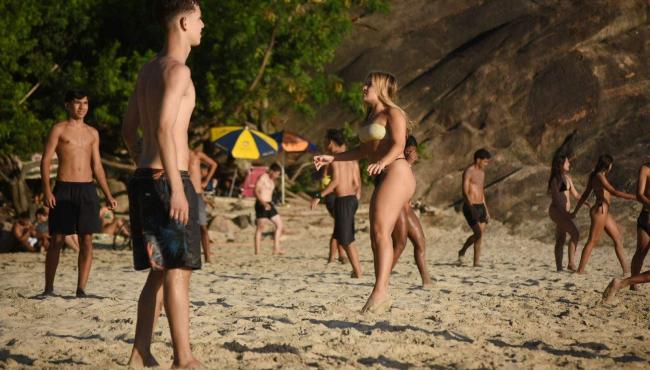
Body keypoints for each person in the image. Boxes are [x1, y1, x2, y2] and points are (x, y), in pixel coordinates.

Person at [121, 0, 204, 367]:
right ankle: (184, 360)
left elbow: (129, 130)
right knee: (177, 272)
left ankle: (140, 352)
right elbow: (164, 129)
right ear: (185, 22)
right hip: (168, 180)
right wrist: (175, 185)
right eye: (200, 19)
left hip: (144, 177)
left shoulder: (148, 70)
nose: (204, 26)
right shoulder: (178, 72)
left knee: (158, 273)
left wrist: (145, 160)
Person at [314, 71, 415, 314]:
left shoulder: (394, 113)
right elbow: (362, 152)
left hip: (397, 171)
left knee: (381, 232)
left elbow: (399, 144)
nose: (364, 87)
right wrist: (333, 157)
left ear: (380, 88)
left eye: (369, 84)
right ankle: (382, 292)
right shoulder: (370, 116)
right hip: (386, 173)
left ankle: (380, 292)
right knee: (377, 235)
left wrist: (383, 162)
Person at [40, 90, 117, 297]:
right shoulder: (59, 129)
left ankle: (81, 289)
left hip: (87, 189)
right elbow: (46, 160)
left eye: (85, 103)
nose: (82, 107)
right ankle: (48, 288)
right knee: (56, 239)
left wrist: (108, 194)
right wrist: (47, 190)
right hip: (64, 188)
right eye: (77, 103)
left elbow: (97, 165)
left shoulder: (93, 133)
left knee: (87, 240)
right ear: (67, 105)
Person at [311, 129, 363, 278]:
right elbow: (357, 182)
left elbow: (335, 182)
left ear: (331, 142)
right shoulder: (352, 158)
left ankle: (358, 271)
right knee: (345, 236)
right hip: (352, 199)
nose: (325, 144)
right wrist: (356, 196)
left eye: (326, 140)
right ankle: (356, 270)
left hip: (343, 200)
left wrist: (318, 195)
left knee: (346, 239)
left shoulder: (336, 158)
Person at [572, 154, 635, 274]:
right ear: (608, 165)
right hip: (600, 210)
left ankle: (626, 270)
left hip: (604, 211)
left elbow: (585, 195)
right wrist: (635, 197)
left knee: (617, 238)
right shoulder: (599, 176)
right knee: (592, 240)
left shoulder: (595, 175)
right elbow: (613, 192)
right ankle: (580, 270)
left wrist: (576, 210)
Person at [602, 162, 650, 303]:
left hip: (645, 217)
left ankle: (628, 284)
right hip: (646, 217)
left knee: (640, 252)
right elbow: (639, 194)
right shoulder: (646, 169)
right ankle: (626, 284)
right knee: (640, 252)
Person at [391, 135, 432, 287]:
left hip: (408, 208)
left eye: (413, 151)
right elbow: (394, 182)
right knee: (400, 244)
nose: (411, 154)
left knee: (420, 243)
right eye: (408, 151)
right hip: (396, 207)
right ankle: (383, 276)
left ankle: (426, 280)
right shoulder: (396, 161)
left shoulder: (407, 164)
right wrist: (407, 163)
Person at [547, 155, 585, 271]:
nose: (569, 164)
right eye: (567, 162)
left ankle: (559, 268)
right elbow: (559, 200)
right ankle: (571, 263)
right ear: (560, 165)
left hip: (564, 212)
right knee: (575, 233)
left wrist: (587, 202)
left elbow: (576, 194)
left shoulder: (567, 178)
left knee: (561, 238)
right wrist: (566, 214)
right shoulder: (556, 180)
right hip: (558, 211)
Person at [457, 149, 492, 267]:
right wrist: (471, 208)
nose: (486, 165)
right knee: (478, 233)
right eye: (485, 162)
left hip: (481, 205)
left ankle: (476, 263)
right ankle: (463, 250)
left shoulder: (482, 173)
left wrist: (486, 210)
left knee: (479, 235)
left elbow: (481, 192)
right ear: (478, 160)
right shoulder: (468, 171)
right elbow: (465, 192)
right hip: (470, 206)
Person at [189, 145, 218, 262]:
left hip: (197, 194)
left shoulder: (196, 154)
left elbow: (214, 164)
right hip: (183, 195)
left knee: (203, 227)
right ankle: (190, 256)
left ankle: (207, 257)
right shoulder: (176, 154)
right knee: (186, 227)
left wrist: (206, 181)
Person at [254, 163, 285, 255]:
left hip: (269, 203)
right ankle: (257, 251)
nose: (277, 176)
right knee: (260, 228)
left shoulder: (272, 181)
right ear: (272, 171)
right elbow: (256, 191)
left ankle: (276, 248)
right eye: (277, 173)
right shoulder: (263, 177)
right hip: (261, 204)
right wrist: (263, 203)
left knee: (279, 225)